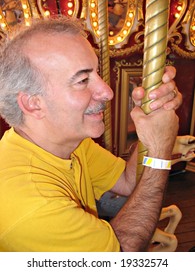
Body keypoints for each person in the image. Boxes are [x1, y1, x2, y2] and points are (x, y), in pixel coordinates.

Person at [0, 17, 182, 252]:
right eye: (83, 80)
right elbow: (121, 256)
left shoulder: (69, 144)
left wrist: (150, 119)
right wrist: (159, 153)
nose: (107, 92)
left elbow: (128, 181)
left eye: (96, 73)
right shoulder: (31, 203)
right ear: (33, 103)